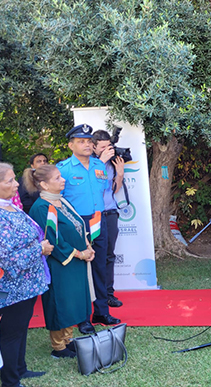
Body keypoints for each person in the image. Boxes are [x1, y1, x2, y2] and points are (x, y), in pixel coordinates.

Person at [56, 123, 121, 334]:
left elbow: (103, 192)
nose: (86, 144)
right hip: (76, 223)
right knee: (80, 271)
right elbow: (59, 201)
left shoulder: (99, 166)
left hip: (98, 220)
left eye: (88, 141)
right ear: (70, 145)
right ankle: (83, 317)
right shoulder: (63, 169)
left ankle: (101, 311)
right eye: (81, 141)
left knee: (100, 267)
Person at [25, 164, 95, 359]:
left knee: (73, 302)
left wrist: (88, 247)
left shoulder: (62, 201)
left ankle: (68, 340)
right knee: (60, 302)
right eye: (57, 178)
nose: (63, 180)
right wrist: (79, 254)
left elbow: (79, 225)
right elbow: (52, 240)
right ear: (44, 185)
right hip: (59, 263)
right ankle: (58, 346)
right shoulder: (41, 207)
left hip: (77, 260)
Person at [0, 162, 52, 386]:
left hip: (28, 283)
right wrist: (40, 249)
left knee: (21, 328)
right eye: (9, 180)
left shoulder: (10, 206)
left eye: (13, 179)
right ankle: (10, 380)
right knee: (11, 332)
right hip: (11, 286)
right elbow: (8, 258)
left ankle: (20, 368)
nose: (15, 184)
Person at [91, 130, 126, 309]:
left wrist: (119, 174)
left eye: (108, 146)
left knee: (109, 256)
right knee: (96, 256)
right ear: (94, 147)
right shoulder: (91, 164)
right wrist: (102, 162)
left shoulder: (111, 164)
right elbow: (95, 185)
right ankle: (97, 296)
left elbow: (113, 189)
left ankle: (109, 294)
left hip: (110, 212)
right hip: (94, 215)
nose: (107, 150)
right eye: (103, 147)